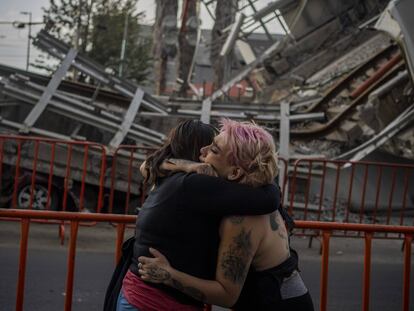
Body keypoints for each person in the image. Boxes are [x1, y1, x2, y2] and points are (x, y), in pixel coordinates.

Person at [138, 119, 314, 311]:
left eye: (214, 150)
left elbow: (226, 295)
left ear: (235, 172)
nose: (202, 152)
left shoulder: (243, 218)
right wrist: (186, 166)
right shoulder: (247, 196)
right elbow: (147, 166)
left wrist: (168, 275)